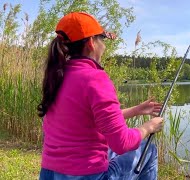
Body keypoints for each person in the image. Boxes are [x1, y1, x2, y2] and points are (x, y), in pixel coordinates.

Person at [37, 12, 164, 180]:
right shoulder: (95, 78)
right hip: (86, 175)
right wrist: (149, 127)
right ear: (91, 43)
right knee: (149, 149)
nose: (104, 46)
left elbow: (89, 119)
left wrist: (137, 110)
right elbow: (122, 143)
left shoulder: (58, 75)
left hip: (49, 174)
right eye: (102, 39)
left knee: (108, 149)